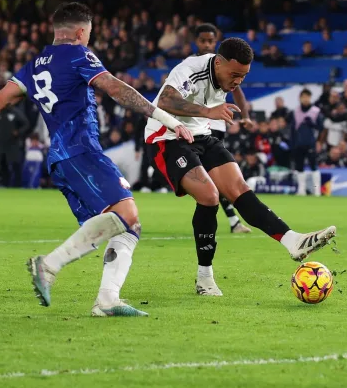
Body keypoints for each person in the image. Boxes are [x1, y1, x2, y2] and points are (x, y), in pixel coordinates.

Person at [0, 2, 194, 316]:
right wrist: (167, 118)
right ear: (79, 32)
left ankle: (107, 300)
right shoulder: (77, 54)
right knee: (127, 211)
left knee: (128, 227)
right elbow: (114, 88)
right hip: (80, 150)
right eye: (88, 34)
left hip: (61, 158)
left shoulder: (33, 66)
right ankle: (48, 265)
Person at [144, 37, 337, 297]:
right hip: (166, 138)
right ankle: (205, 278)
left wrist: (243, 113)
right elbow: (165, 101)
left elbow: (233, 89)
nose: (237, 82)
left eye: (243, 77)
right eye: (234, 75)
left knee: (240, 189)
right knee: (210, 197)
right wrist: (208, 111)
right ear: (219, 62)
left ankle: (293, 241)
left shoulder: (226, 74)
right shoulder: (190, 69)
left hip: (201, 135)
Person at [195, 23, 251, 234]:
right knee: (211, 178)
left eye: (211, 40)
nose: (207, 44)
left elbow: (238, 92)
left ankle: (232, 221)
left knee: (215, 176)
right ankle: (232, 221)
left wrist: (245, 116)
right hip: (197, 124)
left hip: (216, 125)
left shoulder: (227, 67)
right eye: (203, 40)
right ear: (196, 42)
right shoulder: (192, 66)